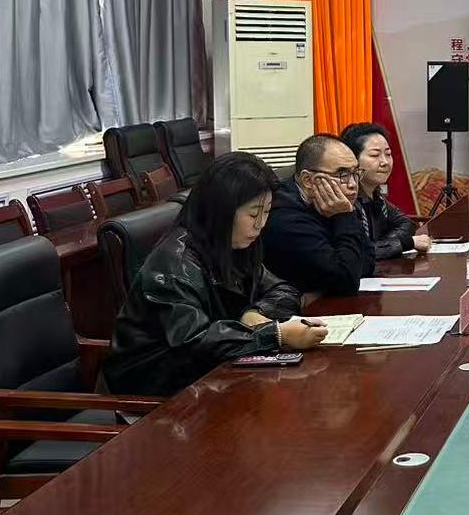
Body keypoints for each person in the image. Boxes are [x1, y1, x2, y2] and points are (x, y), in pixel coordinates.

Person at [104, 153, 328, 397]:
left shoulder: (232, 244)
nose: (260, 225)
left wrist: (254, 313)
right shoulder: (175, 264)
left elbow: (282, 289)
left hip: (212, 376)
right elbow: (194, 341)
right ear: (221, 211)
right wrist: (275, 335)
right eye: (253, 214)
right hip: (161, 392)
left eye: (266, 212)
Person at [262, 134, 373, 295]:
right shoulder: (284, 216)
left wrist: (344, 215)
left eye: (356, 173)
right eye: (342, 174)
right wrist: (344, 216)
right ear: (308, 180)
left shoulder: (332, 205)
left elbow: (368, 261)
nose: (353, 184)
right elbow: (346, 281)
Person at [339, 122, 431, 260]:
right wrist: (404, 243)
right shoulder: (346, 200)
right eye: (375, 155)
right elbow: (359, 254)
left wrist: (384, 245)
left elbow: (406, 224)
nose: (385, 162)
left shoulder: (376, 196)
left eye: (388, 154)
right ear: (352, 160)